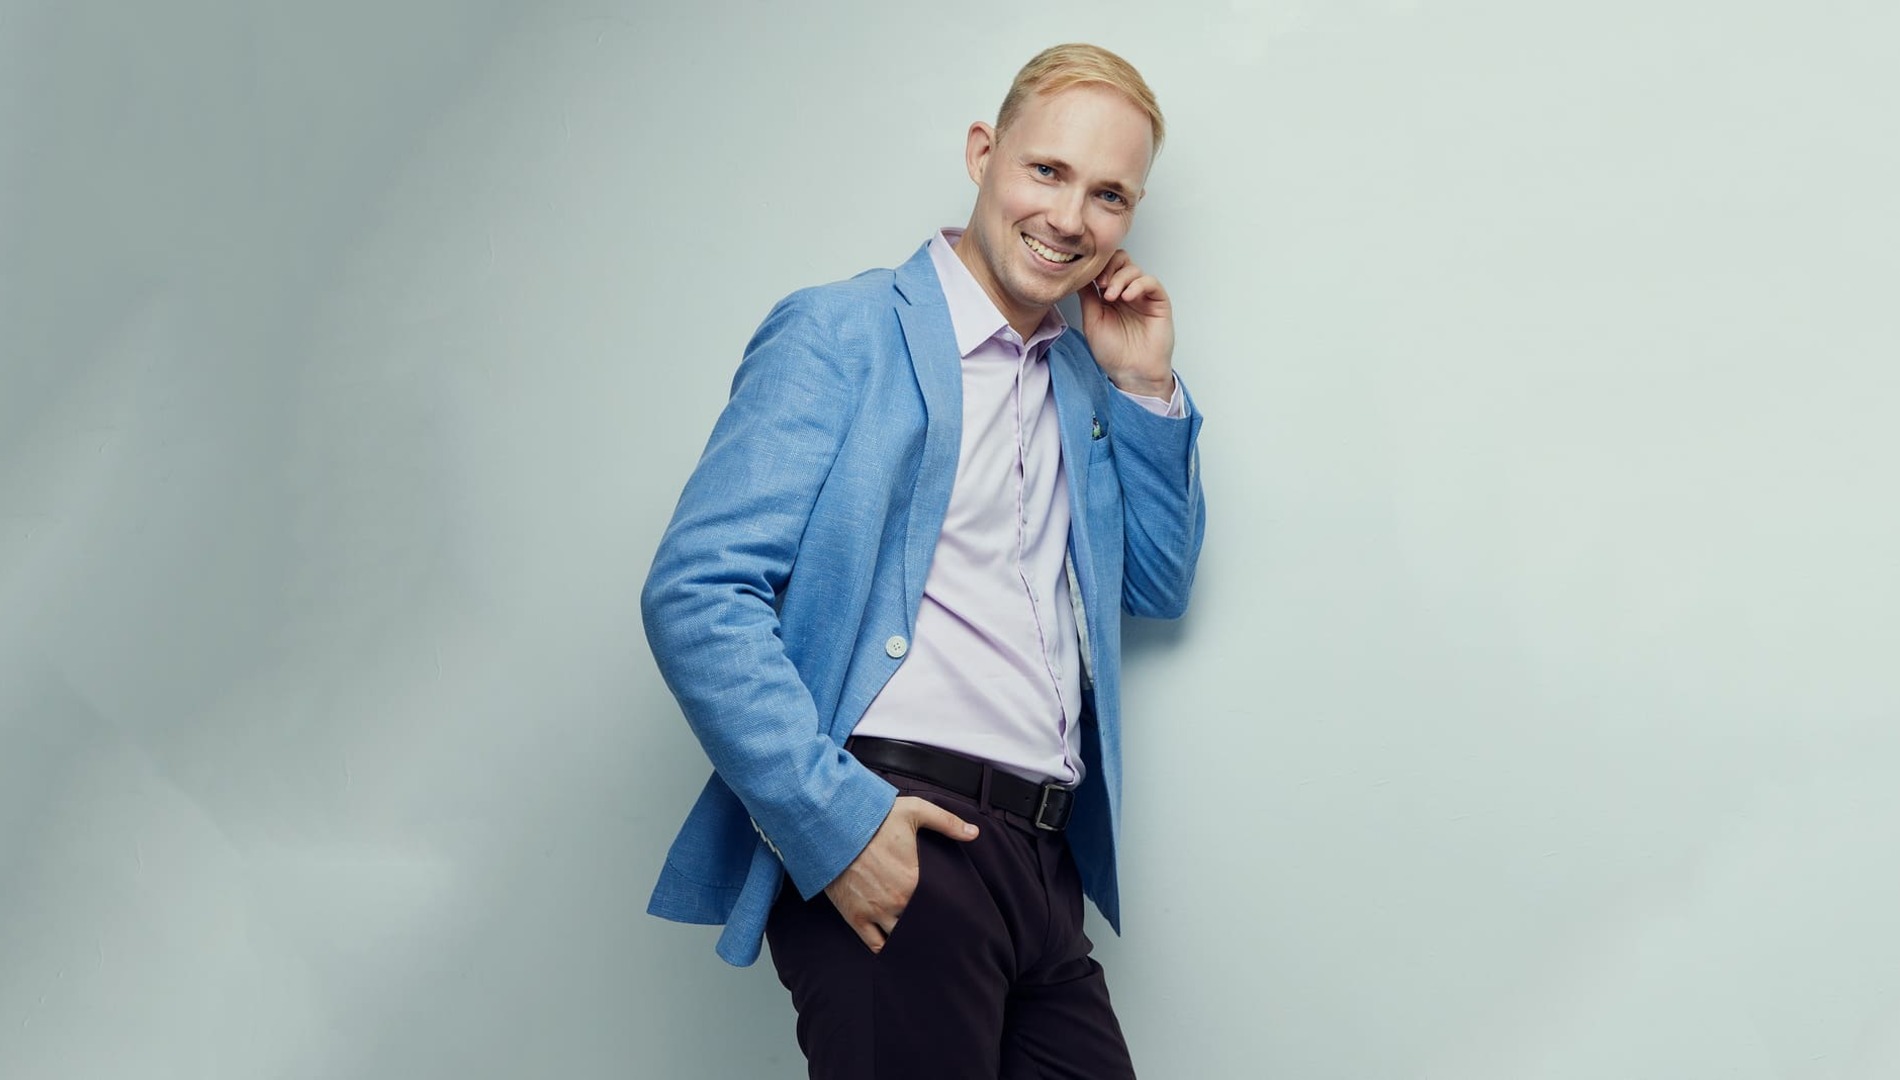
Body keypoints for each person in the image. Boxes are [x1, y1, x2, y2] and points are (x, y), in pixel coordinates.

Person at [641, 42, 1206, 1078]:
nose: (1070, 218)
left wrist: (1142, 385)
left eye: (1109, 195)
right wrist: (835, 825)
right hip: (900, 825)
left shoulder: (1083, 379)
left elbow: (1157, 584)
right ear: (984, 153)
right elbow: (698, 593)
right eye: (1047, 170)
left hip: (1044, 865)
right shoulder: (842, 333)